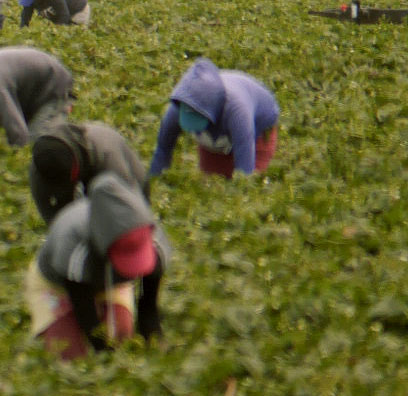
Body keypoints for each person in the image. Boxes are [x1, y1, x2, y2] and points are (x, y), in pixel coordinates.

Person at [25, 172, 168, 359]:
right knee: (69, 355)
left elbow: (149, 310)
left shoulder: (154, 242)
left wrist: (154, 343)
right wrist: (104, 354)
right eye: (125, 254)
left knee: (122, 337)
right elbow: (84, 309)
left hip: (110, 281)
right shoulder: (74, 240)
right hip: (58, 287)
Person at [147, 58, 279, 179]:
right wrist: (151, 183)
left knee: (246, 190)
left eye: (198, 118)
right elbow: (162, 151)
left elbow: (245, 174)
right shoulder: (177, 109)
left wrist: (242, 188)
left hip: (258, 133)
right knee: (213, 185)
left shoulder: (238, 112)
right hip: (217, 138)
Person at [29, 121, 149, 224]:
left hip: (128, 181)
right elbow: (52, 219)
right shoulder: (40, 169)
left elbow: (125, 211)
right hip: (78, 170)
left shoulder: (108, 155)